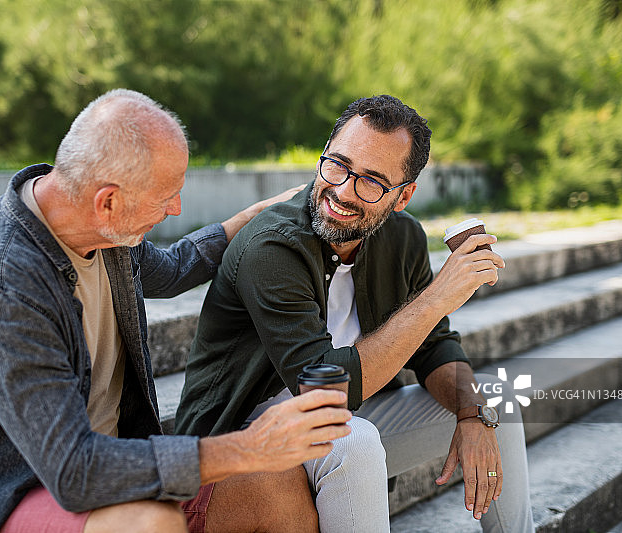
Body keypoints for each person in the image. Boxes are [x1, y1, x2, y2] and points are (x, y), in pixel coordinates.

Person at [0, 89, 353, 533]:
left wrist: (254, 218)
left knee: (276, 486)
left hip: (104, 465)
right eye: (165, 197)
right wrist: (249, 447)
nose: (175, 208)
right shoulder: (3, 287)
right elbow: (75, 470)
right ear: (108, 201)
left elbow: (171, 269)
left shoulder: (101, 231)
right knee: (149, 523)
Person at [175, 95, 535, 532]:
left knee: (492, 400)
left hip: (336, 431)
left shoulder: (403, 238)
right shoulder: (272, 246)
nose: (344, 191)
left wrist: (471, 413)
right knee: (352, 439)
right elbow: (324, 389)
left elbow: (434, 346)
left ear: (403, 196)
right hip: (241, 445)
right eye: (338, 165)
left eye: (372, 182)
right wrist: (437, 297)